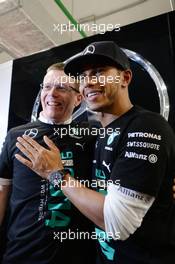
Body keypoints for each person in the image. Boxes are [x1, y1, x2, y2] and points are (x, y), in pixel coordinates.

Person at [15, 41, 175, 264]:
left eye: (99, 72)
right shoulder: (98, 134)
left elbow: (117, 223)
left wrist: (56, 174)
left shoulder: (146, 126)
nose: (88, 82)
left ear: (125, 78)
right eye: (83, 76)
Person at [0, 62, 96, 264]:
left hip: (74, 256)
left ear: (78, 98)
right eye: (47, 86)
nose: (52, 94)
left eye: (62, 87)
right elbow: (2, 190)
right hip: (20, 254)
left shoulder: (91, 137)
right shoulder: (16, 136)